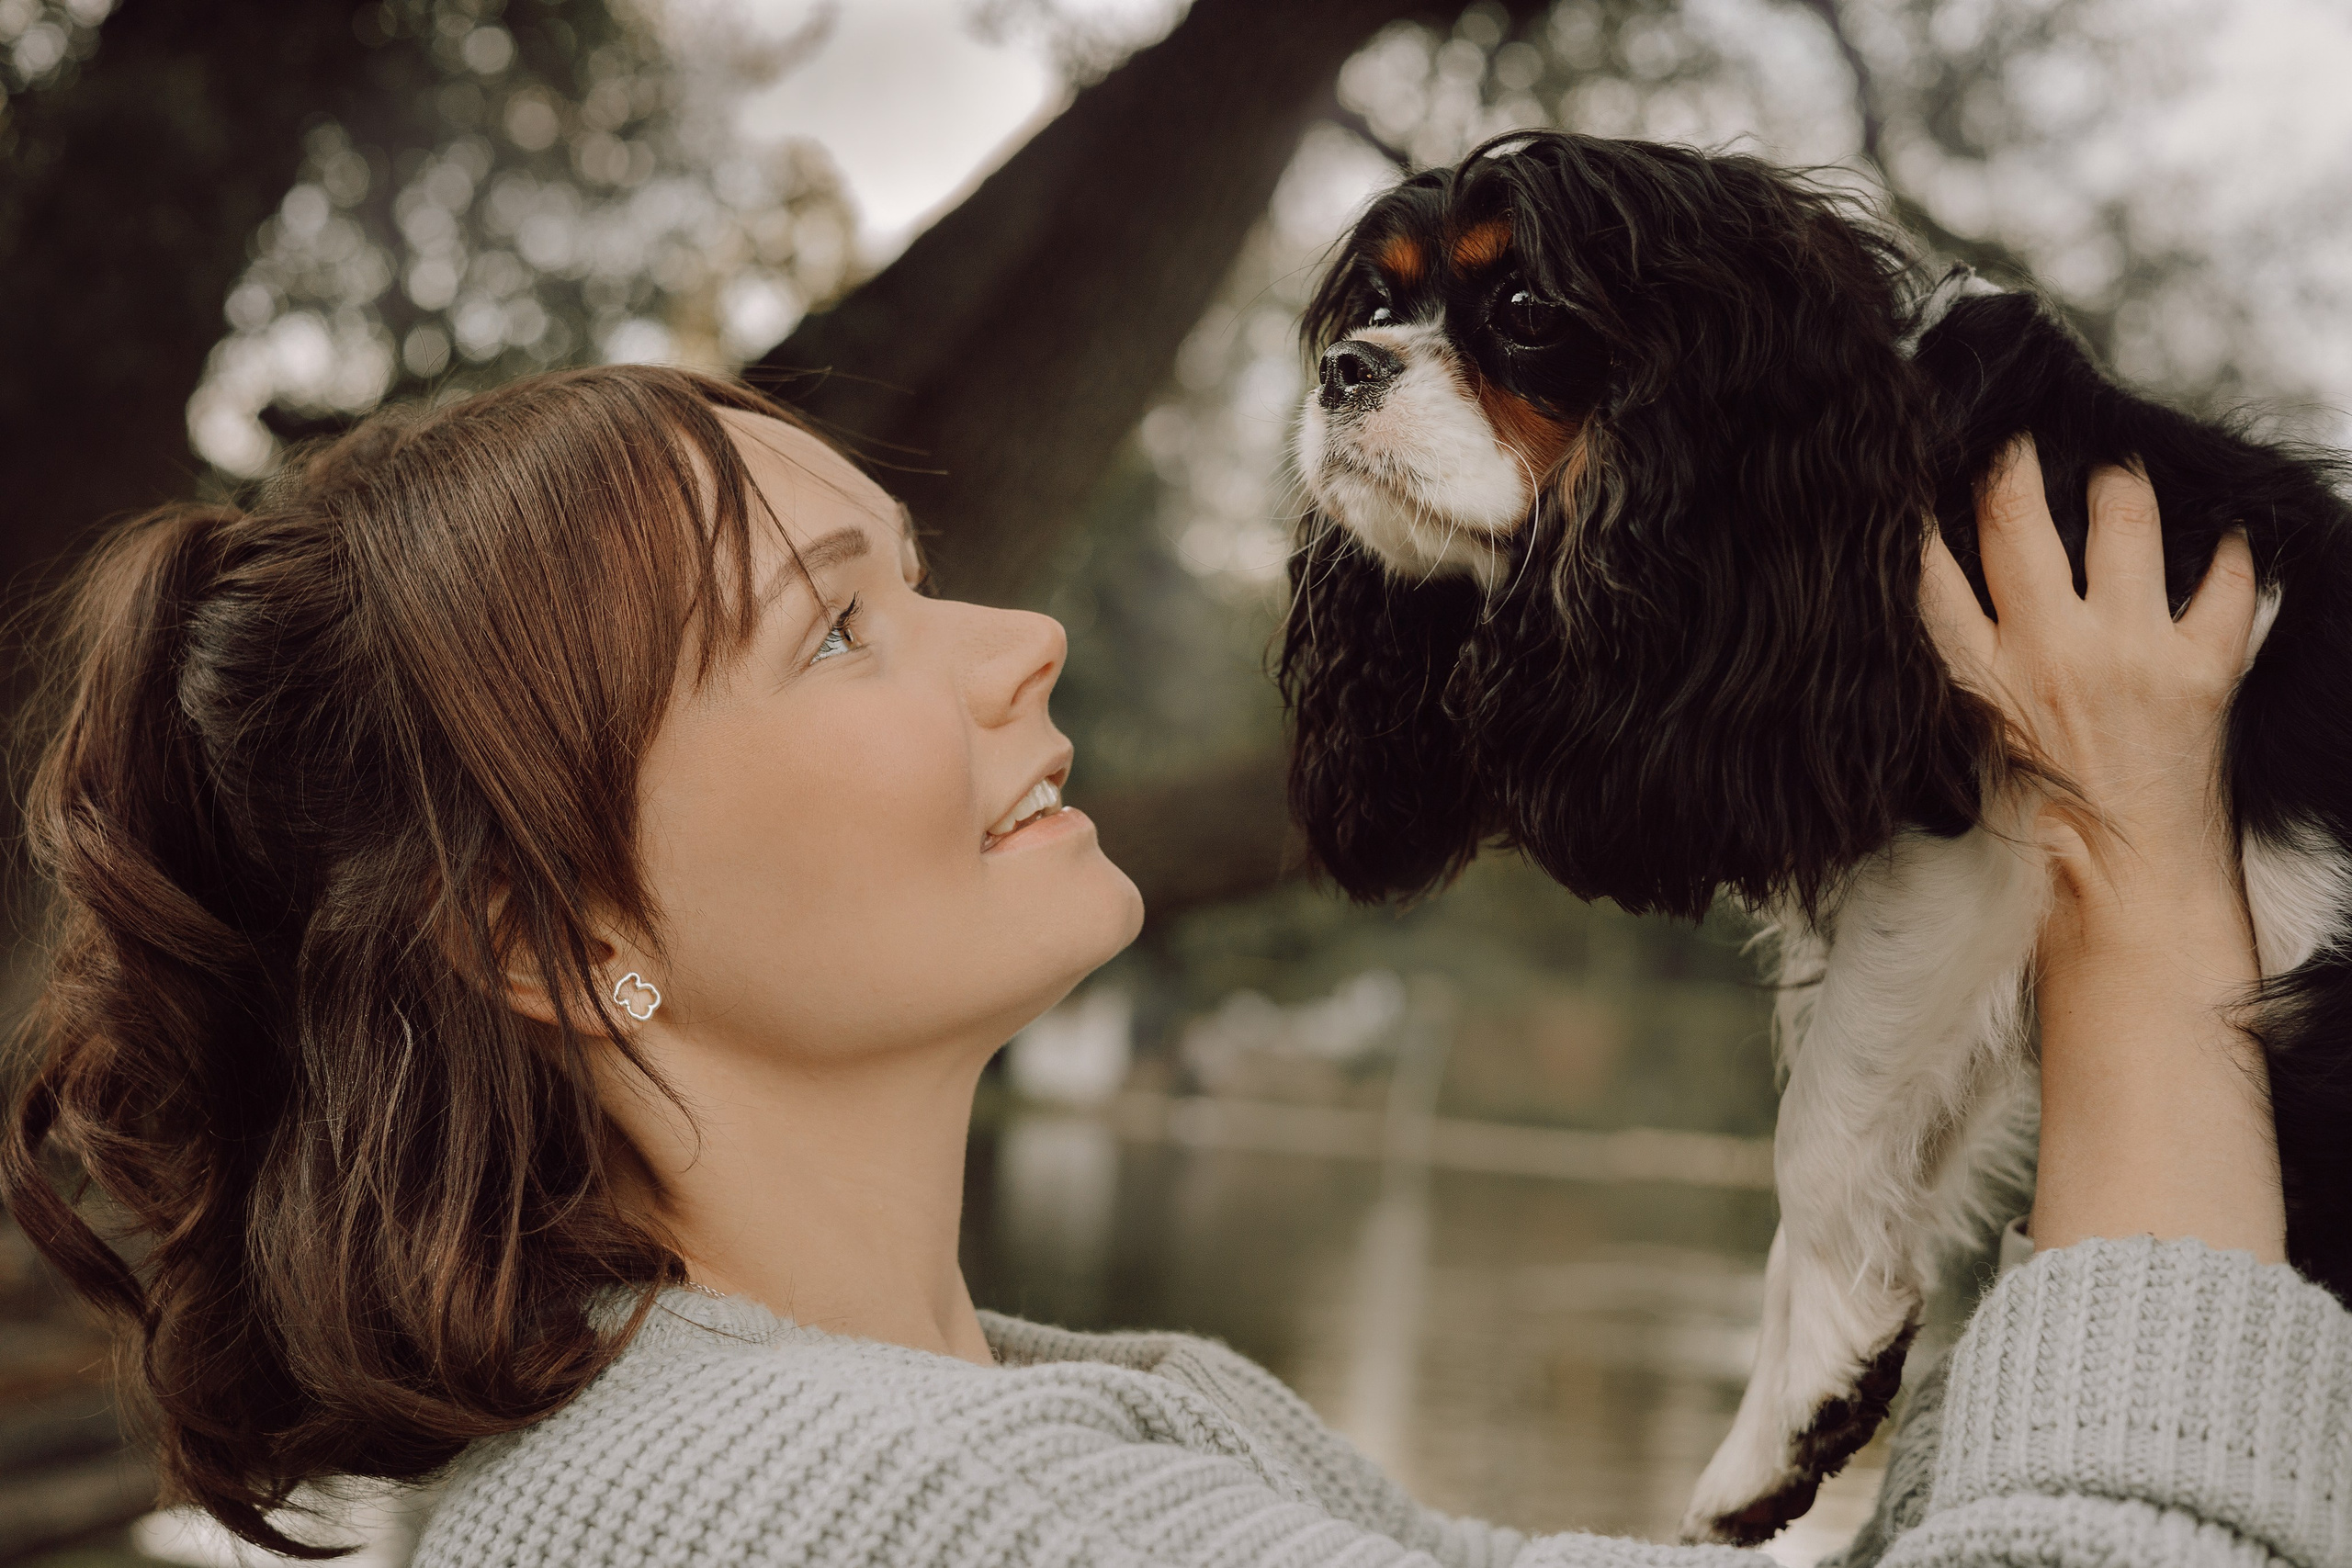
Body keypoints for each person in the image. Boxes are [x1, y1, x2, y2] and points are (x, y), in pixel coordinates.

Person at [4, 365, 2341, 1568]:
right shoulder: (858, 1512)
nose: (1017, 643)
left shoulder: (986, 1420)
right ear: (550, 931)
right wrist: (2131, 869)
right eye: (838, 625)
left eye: (919, 570)